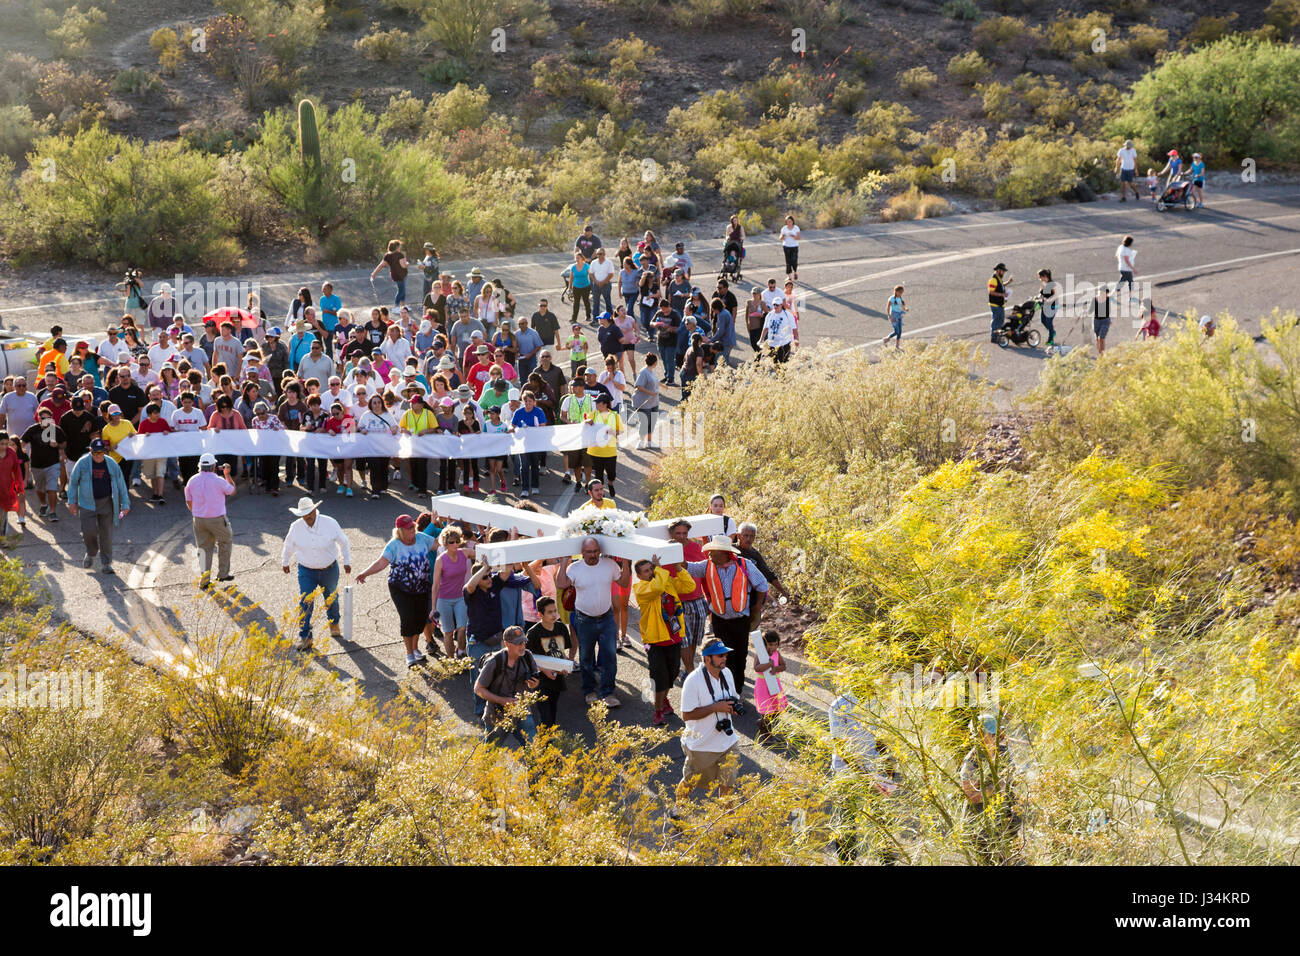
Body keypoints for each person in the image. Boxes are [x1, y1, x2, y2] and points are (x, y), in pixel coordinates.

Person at [686, 535, 768, 696]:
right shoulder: (707, 565)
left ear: (723, 553)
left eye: (712, 552)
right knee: (724, 656)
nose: (708, 554)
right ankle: (726, 690)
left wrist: (757, 607)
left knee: (740, 655)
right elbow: (688, 567)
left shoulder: (745, 564)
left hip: (741, 620)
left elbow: (762, 584)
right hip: (719, 619)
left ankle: (736, 690)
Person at [555, 537, 630, 708]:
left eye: (596, 551)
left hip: (607, 618)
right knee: (586, 657)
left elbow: (624, 582)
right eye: (589, 552)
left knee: (610, 657)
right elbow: (561, 584)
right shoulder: (575, 568)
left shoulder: (609, 564)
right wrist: (565, 560)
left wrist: (625, 560)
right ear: (582, 553)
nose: (593, 555)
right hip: (584, 619)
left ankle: (608, 693)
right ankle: (589, 691)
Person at [356, 514, 437, 668]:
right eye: (409, 528)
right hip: (400, 589)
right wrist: (365, 573)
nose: (413, 530)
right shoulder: (394, 545)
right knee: (408, 618)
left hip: (421, 587)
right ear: (400, 530)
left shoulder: (421, 538)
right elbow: (381, 563)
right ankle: (409, 654)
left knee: (420, 619)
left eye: (413, 526)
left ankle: (415, 648)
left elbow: (439, 545)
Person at [281, 496, 352, 651]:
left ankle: (334, 622)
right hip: (306, 569)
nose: (308, 516)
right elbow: (288, 545)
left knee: (331, 599)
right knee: (306, 601)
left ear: (314, 510)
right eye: (304, 514)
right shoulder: (295, 527)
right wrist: (285, 561)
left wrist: (346, 561)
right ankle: (305, 636)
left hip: (329, 568)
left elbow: (343, 542)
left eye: (309, 512)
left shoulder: (330, 523)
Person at [632, 555, 695, 725]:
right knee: (660, 677)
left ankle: (663, 698)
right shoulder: (640, 588)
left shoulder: (665, 580)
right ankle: (658, 710)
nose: (651, 572)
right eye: (646, 571)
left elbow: (690, 586)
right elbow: (657, 588)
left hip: (673, 638)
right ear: (639, 576)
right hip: (654, 641)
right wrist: (660, 569)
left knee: (672, 674)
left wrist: (678, 567)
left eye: (651, 569)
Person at [679, 639, 742, 795]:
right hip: (702, 745)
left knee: (728, 784)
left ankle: (727, 817)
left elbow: (733, 697)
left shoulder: (727, 673)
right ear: (707, 658)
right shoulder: (693, 680)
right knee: (690, 782)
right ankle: (677, 809)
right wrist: (715, 707)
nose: (725, 658)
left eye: (725, 654)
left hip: (728, 742)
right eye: (720, 655)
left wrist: (732, 708)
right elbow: (686, 715)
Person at [961, 713, 1022, 864]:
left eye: (997, 733)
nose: (996, 737)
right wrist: (995, 788)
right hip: (981, 820)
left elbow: (1012, 778)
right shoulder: (972, 761)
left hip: (1004, 817)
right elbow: (971, 796)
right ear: (980, 735)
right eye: (991, 733)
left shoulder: (1003, 753)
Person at [475, 625, 544, 745]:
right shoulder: (495, 662)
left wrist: (534, 684)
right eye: (518, 643)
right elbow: (478, 689)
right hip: (497, 716)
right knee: (490, 756)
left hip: (522, 712)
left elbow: (535, 683)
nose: (523, 646)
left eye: (524, 642)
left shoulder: (527, 656)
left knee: (534, 751)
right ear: (507, 644)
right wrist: (502, 700)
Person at [67, 438, 129, 569]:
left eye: (102, 452)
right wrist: (72, 502)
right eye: (96, 452)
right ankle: (91, 553)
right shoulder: (82, 463)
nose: (99, 455)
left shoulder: (111, 463)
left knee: (106, 534)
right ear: (90, 451)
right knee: (89, 532)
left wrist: (125, 503)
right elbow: (73, 482)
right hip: (86, 503)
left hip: (106, 503)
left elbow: (121, 483)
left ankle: (107, 563)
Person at [185, 452, 237, 589]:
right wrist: (227, 474)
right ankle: (223, 573)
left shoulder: (192, 480)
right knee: (225, 542)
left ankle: (204, 579)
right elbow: (232, 491)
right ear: (214, 466)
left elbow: (188, 500)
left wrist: (196, 512)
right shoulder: (219, 480)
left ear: (200, 466)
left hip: (199, 519)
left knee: (203, 549)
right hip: (217, 519)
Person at [524, 596, 573, 727]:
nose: (554, 615)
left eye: (555, 611)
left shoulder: (561, 628)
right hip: (541, 681)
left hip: (557, 678)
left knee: (552, 713)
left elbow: (563, 652)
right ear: (540, 614)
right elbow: (527, 658)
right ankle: (543, 745)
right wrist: (544, 670)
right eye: (549, 612)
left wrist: (566, 665)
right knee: (545, 718)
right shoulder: (533, 633)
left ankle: (548, 743)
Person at [430, 525, 473, 658]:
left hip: (460, 597)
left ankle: (460, 652)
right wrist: (433, 607)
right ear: (445, 543)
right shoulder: (440, 560)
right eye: (451, 542)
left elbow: (483, 554)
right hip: (444, 600)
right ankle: (450, 660)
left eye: (457, 541)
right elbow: (436, 585)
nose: (455, 544)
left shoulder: (464, 553)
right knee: (448, 632)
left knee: (462, 628)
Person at [22, 407, 65, 521]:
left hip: (52, 463)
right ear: (38, 419)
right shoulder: (32, 429)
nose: (46, 420)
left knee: (52, 488)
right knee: (40, 489)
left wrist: (58, 445)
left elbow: (64, 444)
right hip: (37, 464)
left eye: (48, 418)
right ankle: (43, 504)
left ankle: (52, 511)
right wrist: (22, 452)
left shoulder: (56, 429)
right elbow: (22, 442)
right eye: (43, 418)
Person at [736, 522, 790, 603]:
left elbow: (768, 573)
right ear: (739, 536)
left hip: (750, 594)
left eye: (751, 536)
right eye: (746, 535)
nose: (748, 539)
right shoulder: (730, 550)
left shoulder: (755, 554)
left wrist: (782, 591)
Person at [752, 630, 788, 742]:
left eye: (776, 644)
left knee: (777, 709)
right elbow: (757, 668)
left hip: (774, 684)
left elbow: (783, 666)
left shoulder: (777, 654)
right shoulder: (760, 654)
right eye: (770, 644)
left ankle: (763, 725)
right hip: (763, 685)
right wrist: (769, 664)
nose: (774, 647)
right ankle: (766, 735)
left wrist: (776, 668)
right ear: (764, 644)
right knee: (767, 710)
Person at [586, 393, 623, 499]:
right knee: (598, 474)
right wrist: (586, 421)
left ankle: (610, 484)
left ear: (605, 404)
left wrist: (611, 432)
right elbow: (585, 426)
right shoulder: (592, 415)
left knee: (611, 473)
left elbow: (620, 431)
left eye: (598, 403)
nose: (596, 404)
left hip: (610, 451)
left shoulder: (615, 416)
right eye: (596, 402)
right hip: (595, 450)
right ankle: (601, 493)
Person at [631, 353, 660, 449]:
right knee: (644, 422)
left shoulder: (651, 371)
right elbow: (638, 386)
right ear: (655, 363)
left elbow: (655, 381)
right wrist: (650, 393)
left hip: (653, 402)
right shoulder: (644, 372)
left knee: (652, 422)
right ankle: (640, 441)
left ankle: (649, 442)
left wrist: (664, 386)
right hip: (643, 402)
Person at [371, 239, 409, 307]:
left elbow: (381, 265)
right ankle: (396, 306)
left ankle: (403, 306)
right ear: (396, 247)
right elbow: (403, 266)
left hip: (394, 275)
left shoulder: (387, 255)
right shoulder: (400, 255)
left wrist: (374, 273)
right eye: (399, 246)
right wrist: (407, 263)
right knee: (401, 291)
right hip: (402, 275)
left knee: (402, 290)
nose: (400, 247)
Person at [758, 298, 796, 363]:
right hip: (772, 344)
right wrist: (761, 340)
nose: (775, 306)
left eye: (777, 305)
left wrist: (796, 342)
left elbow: (794, 329)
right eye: (774, 305)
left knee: (783, 362)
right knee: (775, 363)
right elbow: (765, 328)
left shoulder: (787, 315)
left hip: (784, 343)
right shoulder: (770, 315)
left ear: (781, 305)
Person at [588, 247, 617, 317]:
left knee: (608, 303)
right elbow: (590, 273)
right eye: (597, 254)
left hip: (606, 285)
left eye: (600, 254)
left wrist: (603, 282)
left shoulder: (609, 262)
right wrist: (596, 281)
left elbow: (611, 274)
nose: (599, 255)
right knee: (596, 303)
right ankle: (595, 319)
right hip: (596, 285)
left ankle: (610, 319)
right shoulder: (593, 262)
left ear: (604, 254)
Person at [565, 252, 592, 324]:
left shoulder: (586, 266)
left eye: (578, 258)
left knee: (586, 301)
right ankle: (574, 318)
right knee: (576, 303)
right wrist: (569, 288)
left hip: (586, 286)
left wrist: (592, 285)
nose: (577, 259)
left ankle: (588, 316)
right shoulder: (573, 267)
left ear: (582, 258)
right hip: (576, 287)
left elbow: (590, 275)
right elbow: (571, 278)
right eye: (576, 258)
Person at [987, 262, 1011, 343]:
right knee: (996, 321)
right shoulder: (993, 280)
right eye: (1003, 271)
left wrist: (1008, 282)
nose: (1004, 272)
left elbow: (1001, 285)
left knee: (1000, 321)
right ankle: (994, 337)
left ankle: (998, 336)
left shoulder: (999, 279)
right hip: (995, 304)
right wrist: (1002, 294)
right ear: (998, 270)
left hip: (1000, 304)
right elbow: (991, 292)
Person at [1036, 269, 1060, 346]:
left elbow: (1056, 295)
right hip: (1045, 305)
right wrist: (1038, 296)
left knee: (1049, 322)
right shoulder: (1043, 283)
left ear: (1045, 276)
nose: (1040, 279)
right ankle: (1052, 332)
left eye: (1040, 277)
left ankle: (1051, 339)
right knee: (1043, 320)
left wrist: (1048, 300)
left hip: (1053, 305)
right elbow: (1041, 292)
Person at [883, 285, 907, 349]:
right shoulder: (892, 298)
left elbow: (902, 306)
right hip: (894, 316)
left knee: (900, 331)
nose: (901, 293)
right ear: (896, 291)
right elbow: (888, 307)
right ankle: (887, 339)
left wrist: (905, 309)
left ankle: (896, 345)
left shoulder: (900, 298)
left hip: (899, 315)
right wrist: (889, 316)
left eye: (902, 292)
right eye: (900, 292)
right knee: (897, 331)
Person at [1092, 282, 1113, 355]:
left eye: (1106, 293)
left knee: (1101, 337)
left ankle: (1103, 354)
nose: (1105, 294)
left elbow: (1108, 310)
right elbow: (1090, 310)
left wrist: (1110, 319)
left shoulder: (1108, 299)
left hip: (1105, 321)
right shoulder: (1094, 299)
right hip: (1096, 321)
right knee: (1097, 338)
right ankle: (1100, 353)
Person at [780, 214, 801, 280]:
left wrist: (793, 236)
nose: (789, 223)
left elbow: (799, 238)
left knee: (794, 261)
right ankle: (789, 276)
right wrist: (782, 236)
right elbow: (780, 238)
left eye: (790, 221)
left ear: (792, 221)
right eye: (787, 221)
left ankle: (795, 272)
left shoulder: (796, 228)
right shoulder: (784, 228)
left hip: (794, 246)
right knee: (788, 262)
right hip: (786, 246)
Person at [1115, 235, 1137, 301]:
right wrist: (1133, 269)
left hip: (1121, 267)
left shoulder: (1120, 247)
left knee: (1123, 281)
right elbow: (1127, 260)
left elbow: (1116, 255)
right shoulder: (1126, 250)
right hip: (1126, 269)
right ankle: (1130, 297)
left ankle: (1115, 292)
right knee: (1130, 283)